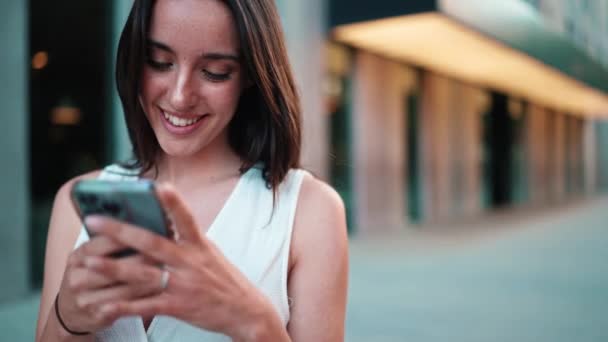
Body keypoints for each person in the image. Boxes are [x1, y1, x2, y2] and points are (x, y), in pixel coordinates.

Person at [35, 0, 349, 340]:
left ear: (250, 75)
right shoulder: (75, 202)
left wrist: (251, 319)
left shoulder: (307, 210)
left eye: (214, 71)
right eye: (159, 62)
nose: (181, 96)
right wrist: (66, 319)